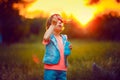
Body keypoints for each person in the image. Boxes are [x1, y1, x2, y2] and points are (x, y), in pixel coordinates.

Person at [42, 13, 72, 80]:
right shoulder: (50, 37)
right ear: (50, 25)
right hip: (51, 68)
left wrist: (68, 48)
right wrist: (53, 25)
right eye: (56, 22)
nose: (60, 23)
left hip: (63, 69)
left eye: (61, 22)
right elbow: (45, 37)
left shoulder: (64, 38)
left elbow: (63, 52)